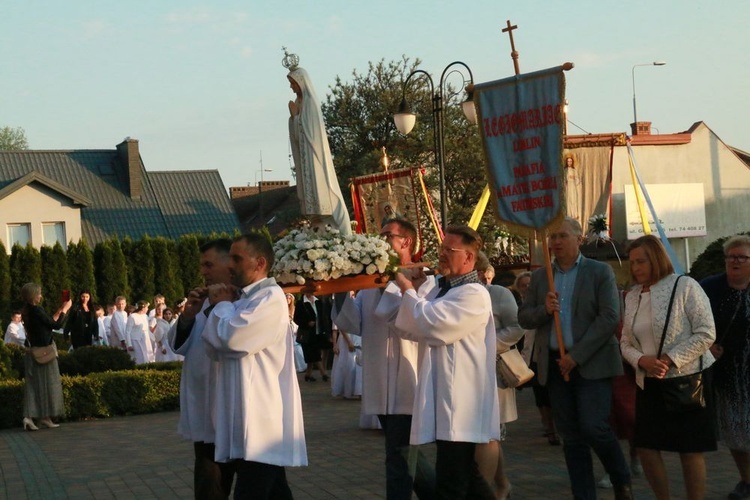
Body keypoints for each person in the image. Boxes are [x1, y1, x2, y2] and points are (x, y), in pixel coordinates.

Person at [518, 217, 632, 500]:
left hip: (591, 363)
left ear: (579, 240)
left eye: (562, 236)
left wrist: (577, 356)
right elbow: (524, 317)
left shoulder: (599, 272)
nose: (555, 242)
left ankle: (621, 477)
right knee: (571, 436)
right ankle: (583, 493)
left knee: (595, 427)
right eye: (552, 237)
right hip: (556, 366)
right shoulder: (543, 276)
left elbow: (609, 318)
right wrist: (544, 310)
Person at [394, 225, 499, 499]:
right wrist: (414, 290)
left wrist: (408, 290)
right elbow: (411, 326)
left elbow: (432, 324)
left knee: (452, 481)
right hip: (446, 397)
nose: (441, 256)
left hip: (461, 401)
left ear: (469, 258)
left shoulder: (474, 293)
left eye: (448, 251)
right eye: (441, 250)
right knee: (465, 476)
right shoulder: (442, 291)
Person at [335, 218, 436, 499]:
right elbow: (355, 322)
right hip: (380, 375)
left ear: (406, 241)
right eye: (378, 235)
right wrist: (338, 289)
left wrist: (390, 284)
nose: (380, 240)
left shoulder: (424, 277)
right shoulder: (370, 280)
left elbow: (408, 318)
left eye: (387, 235)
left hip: (408, 375)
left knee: (398, 453)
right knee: (402, 451)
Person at [202, 233, 307, 498]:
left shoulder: (269, 298)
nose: (229, 265)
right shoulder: (243, 299)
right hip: (244, 412)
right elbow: (213, 347)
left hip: (261, 416)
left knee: (252, 491)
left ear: (259, 263)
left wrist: (222, 305)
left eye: (237, 259)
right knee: (275, 492)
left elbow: (233, 339)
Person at [620, 234, 716, 500]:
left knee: (689, 449)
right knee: (647, 447)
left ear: (657, 259)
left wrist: (670, 359)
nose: (636, 268)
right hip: (648, 381)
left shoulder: (685, 285)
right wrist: (641, 360)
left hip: (687, 380)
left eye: (642, 261)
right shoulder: (632, 296)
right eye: (633, 262)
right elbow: (625, 341)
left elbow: (707, 333)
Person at [168, 238, 236, 500]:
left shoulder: (240, 299)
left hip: (234, 406)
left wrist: (221, 306)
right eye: (201, 266)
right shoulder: (202, 301)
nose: (203, 272)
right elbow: (178, 346)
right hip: (205, 405)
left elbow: (230, 340)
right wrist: (186, 317)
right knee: (209, 481)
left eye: (209, 265)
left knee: (260, 483)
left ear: (228, 263)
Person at [700, 234, 750, 500]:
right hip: (726, 373)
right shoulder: (710, 287)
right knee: (735, 429)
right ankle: (746, 479)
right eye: (731, 257)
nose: (735, 261)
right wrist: (706, 346)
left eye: (742, 257)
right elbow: (691, 322)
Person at [474, 251, 524, 499]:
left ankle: (487, 489)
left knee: (491, 433)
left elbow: (516, 327)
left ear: (483, 274)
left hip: (494, 369)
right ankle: (502, 482)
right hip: (468, 372)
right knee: (482, 435)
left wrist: (488, 344)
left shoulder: (499, 294)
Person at [286, 53, 352, 235]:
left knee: (320, 188)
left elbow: (310, 131)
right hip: (306, 157)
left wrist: (295, 117)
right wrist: (293, 119)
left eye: (293, 83)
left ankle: (329, 221)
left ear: (301, 82)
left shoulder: (310, 103)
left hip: (315, 157)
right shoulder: (300, 102)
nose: (291, 88)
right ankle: (317, 221)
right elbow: (298, 134)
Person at [517, 269, 560, 446]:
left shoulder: (546, 300)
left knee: (551, 393)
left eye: (529, 284)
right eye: (524, 285)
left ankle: (556, 427)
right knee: (540, 395)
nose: (527, 287)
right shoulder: (522, 305)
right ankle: (548, 427)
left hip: (545, 350)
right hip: (531, 354)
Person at [20, 283, 71, 431]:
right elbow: (56, 326)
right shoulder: (37, 310)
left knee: (34, 385)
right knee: (48, 384)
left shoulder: (27, 311)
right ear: (33, 295)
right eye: (39, 293)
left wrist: (61, 309)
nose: (41, 296)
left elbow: (48, 323)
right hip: (44, 353)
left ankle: (41, 417)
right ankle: (37, 416)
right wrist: (65, 310)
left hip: (33, 351)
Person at [294, 292, 332, 382]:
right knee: (313, 353)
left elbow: (323, 316)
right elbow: (297, 318)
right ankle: (323, 373)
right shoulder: (301, 303)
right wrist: (307, 323)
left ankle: (308, 374)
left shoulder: (318, 301)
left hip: (319, 331)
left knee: (312, 353)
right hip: (307, 333)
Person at [285, 293, 307, 373]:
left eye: (289, 298)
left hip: (294, 328)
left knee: (297, 348)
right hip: (286, 329)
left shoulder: (294, 308)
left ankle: (302, 366)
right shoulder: (283, 309)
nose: (288, 299)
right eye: (286, 298)